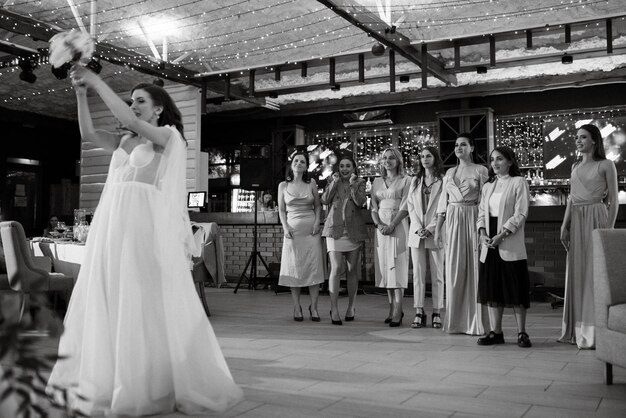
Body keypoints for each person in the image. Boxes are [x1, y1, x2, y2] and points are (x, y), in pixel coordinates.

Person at [47, 65, 242, 415]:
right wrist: (80, 93)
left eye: (140, 100)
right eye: (131, 100)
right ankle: (109, 376)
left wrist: (96, 80)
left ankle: (148, 381)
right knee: (111, 293)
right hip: (112, 225)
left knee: (141, 296)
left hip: (142, 227)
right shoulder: (124, 140)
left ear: (158, 108)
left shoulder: (168, 138)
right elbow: (88, 132)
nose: (133, 105)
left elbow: (135, 123)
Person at [559, 124, 618, 349]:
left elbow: (612, 200)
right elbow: (572, 199)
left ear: (594, 140)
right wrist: (564, 225)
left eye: (583, 137)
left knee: (595, 273)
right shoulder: (574, 166)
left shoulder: (606, 165)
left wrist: (608, 231)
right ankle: (579, 329)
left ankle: (595, 331)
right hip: (577, 219)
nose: (578, 140)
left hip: (596, 216)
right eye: (576, 137)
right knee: (578, 270)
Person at [477, 147, 532, 348]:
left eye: (500, 159)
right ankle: (496, 332)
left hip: (508, 238)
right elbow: (481, 212)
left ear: (510, 161)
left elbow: (521, 213)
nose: (495, 163)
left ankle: (522, 333)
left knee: (515, 287)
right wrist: (482, 233)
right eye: (492, 160)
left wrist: (502, 235)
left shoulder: (518, 182)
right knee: (492, 288)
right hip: (489, 241)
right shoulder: (488, 185)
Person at [436, 133, 489, 335]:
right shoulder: (449, 172)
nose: (459, 148)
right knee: (454, 268)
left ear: (472, 148)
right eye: (457, 144)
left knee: (474, 267)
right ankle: (455, 321)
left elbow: (485, 200)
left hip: (472, 216)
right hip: (452, 219)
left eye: (464, 144)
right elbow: (443, 202)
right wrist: (438, 229)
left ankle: (476, 321)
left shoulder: (481, 170)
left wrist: (482, 226)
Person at [277, 150, 326, 322]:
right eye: (296, 161)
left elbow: (318, 206)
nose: (299, 164)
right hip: (292, 232)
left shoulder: (311, 182)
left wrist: (316, 223)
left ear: (306, 167)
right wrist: (285, 227)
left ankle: (314, 307)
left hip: (311, 232)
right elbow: (281, 209)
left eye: (302, 162)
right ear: (291, 164)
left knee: (314, 268)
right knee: (294, 268)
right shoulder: (283, 185)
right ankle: (297, 307)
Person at [321, 153, 367, 325]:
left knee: (352, 270)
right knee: (336, 268)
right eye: (342, 166)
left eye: (348, 166)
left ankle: (351, 306)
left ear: (354, 168)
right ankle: (334, 308)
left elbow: (360, 202)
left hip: (353, 231)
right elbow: (325, 200)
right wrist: (333, 182)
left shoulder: (360, 182)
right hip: (335, 229)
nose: (344, 169)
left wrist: (354, 185)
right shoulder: (333, 182)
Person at [370, 148, 411, 327]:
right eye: (385, 158)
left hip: (398, 225)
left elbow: (406, 206)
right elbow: (372, 205)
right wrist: (378, 224)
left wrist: (392, 224)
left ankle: (398, 309)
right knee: (386, 268)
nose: (388, 161)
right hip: (381, 228)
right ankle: (391, 308)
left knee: (397, 266)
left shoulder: (406, 180)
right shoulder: (377, 181)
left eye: (392, 158)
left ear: (398, 161)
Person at [407, 147, 445, 329]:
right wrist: (418, 227)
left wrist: (430, 228)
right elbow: (410, 206)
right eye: (422, 156)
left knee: (437, 274)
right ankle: (419, 311)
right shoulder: (415, 181)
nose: (424, 159)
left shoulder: (443, 180)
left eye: (428, 156)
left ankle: (437, 311)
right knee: (418, 275)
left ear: (435, 158)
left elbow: (444, 208)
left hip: (435, 231)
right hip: (417, 232)